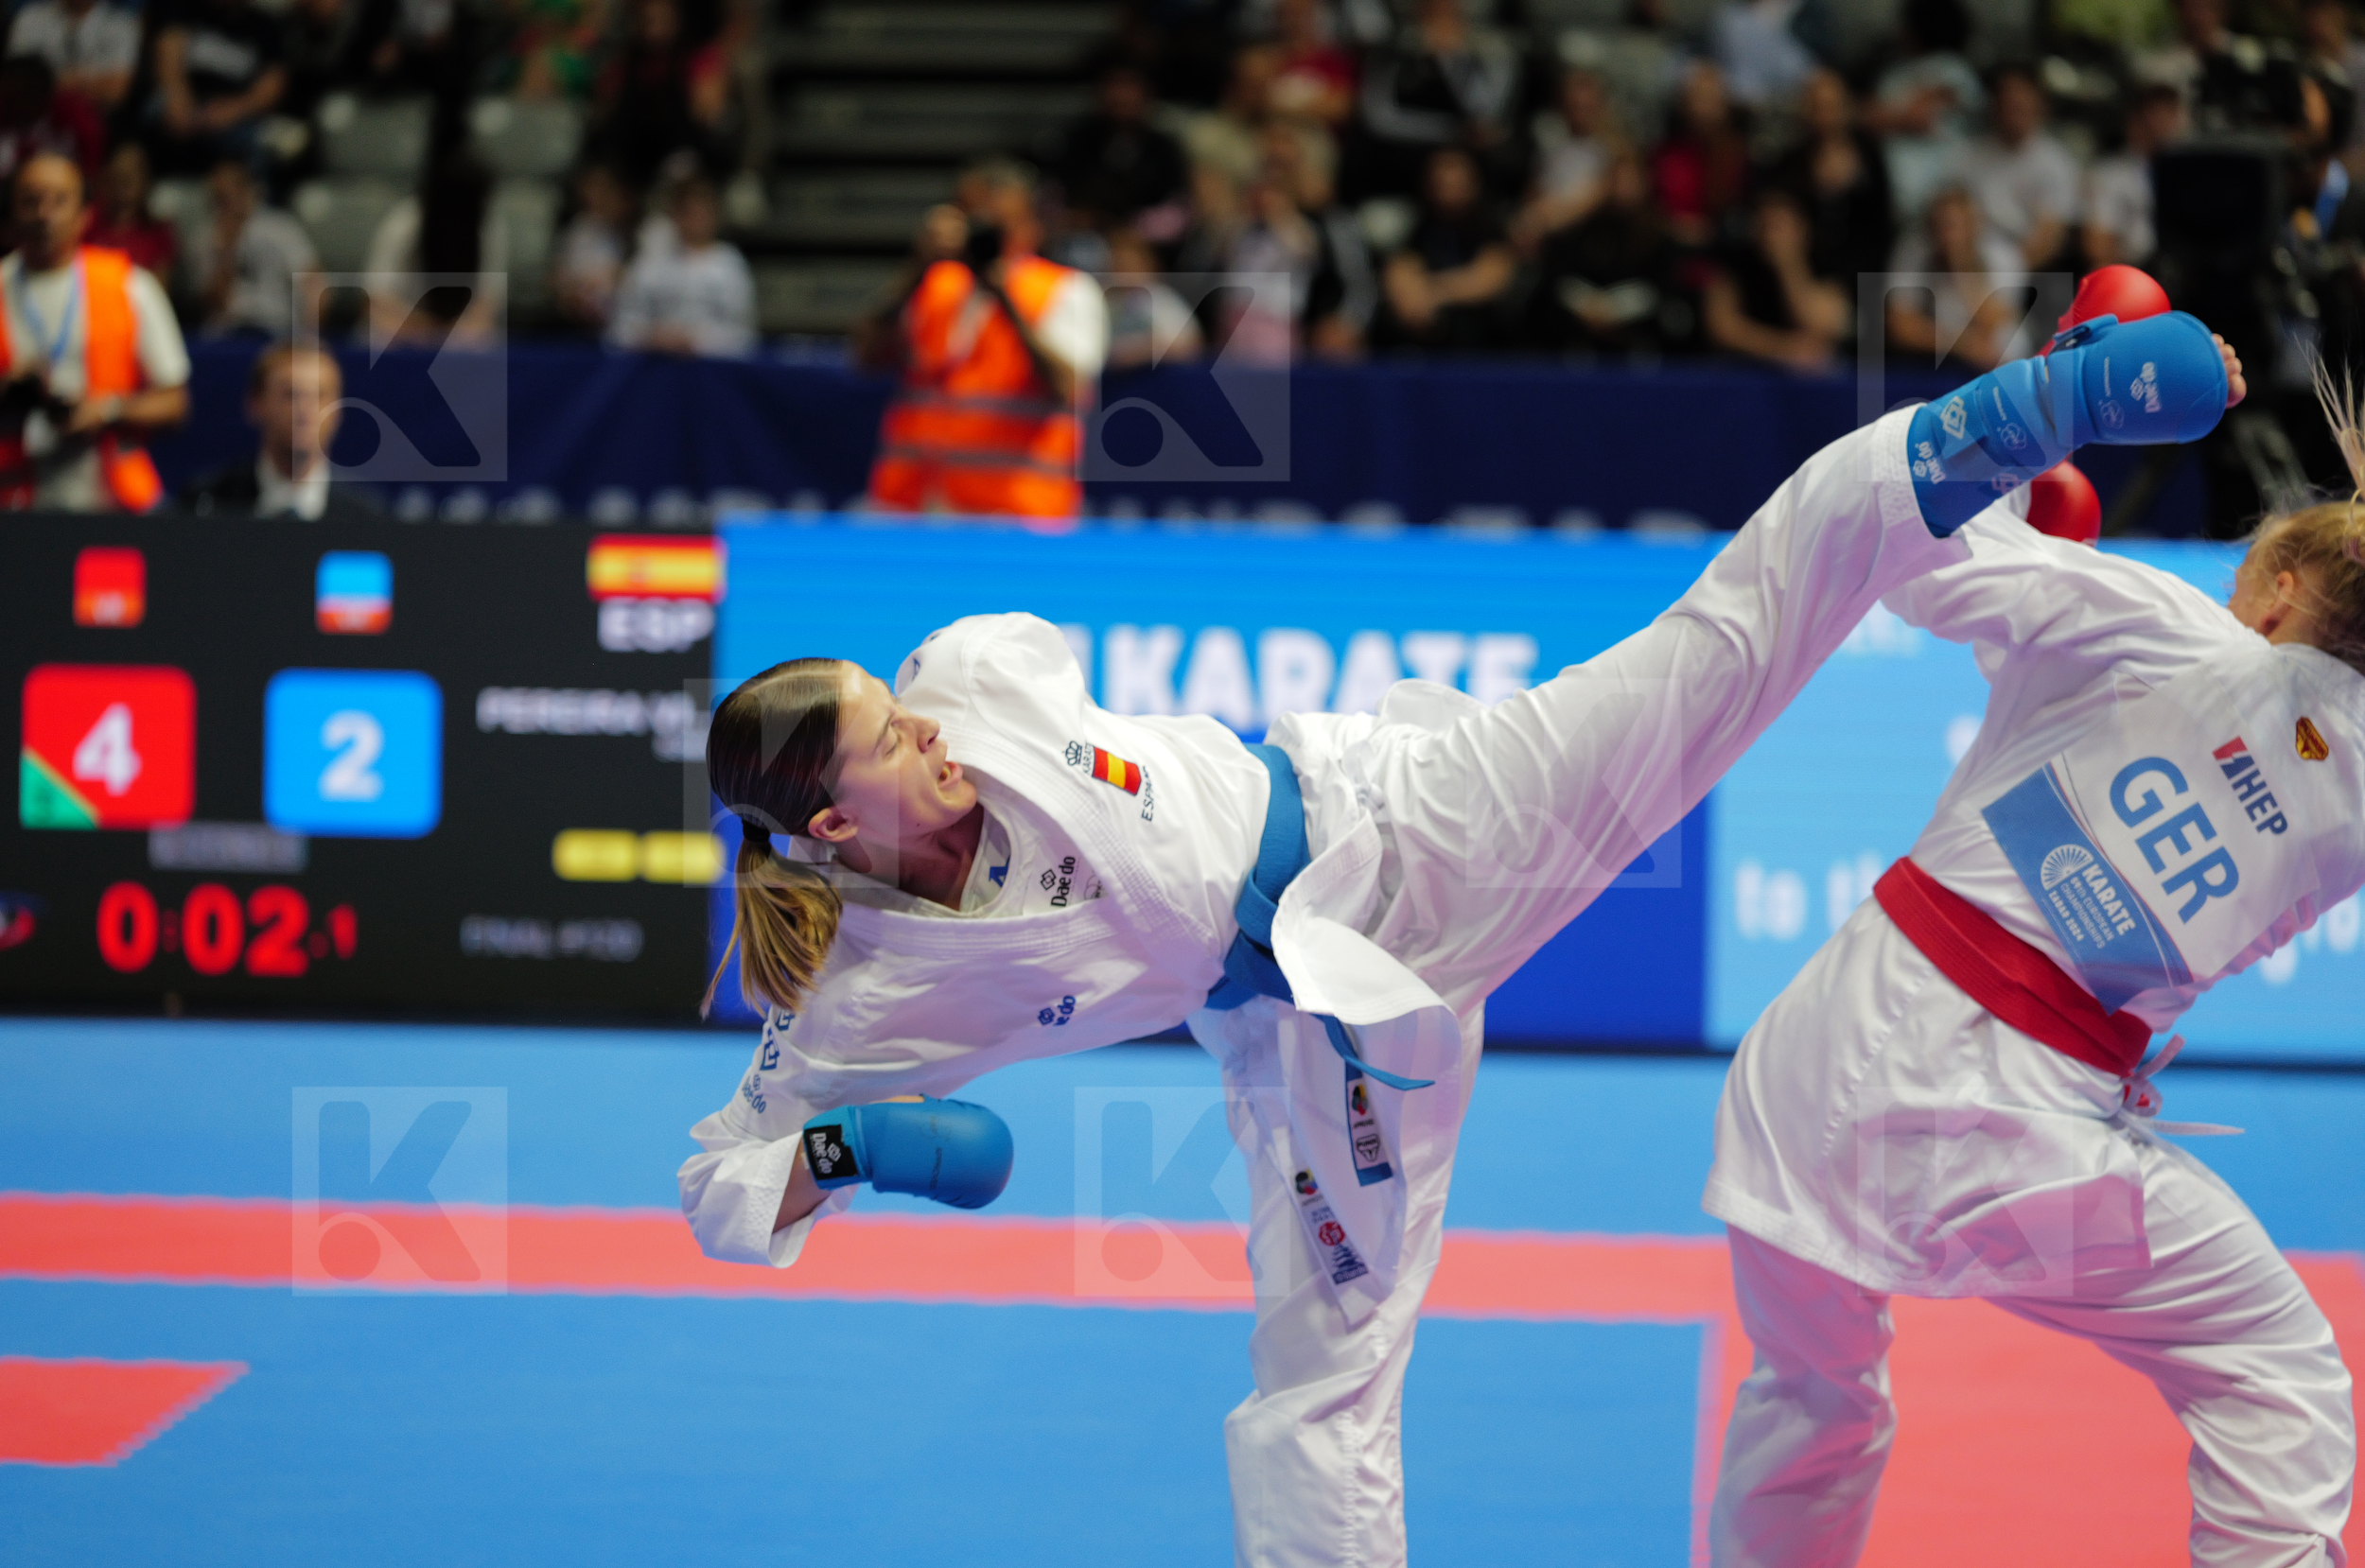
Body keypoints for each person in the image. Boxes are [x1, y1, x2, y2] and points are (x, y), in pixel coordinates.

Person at [680, 306, 2243, 1568]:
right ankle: (2026, 536)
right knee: (1324, 1368)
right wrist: (849, 1152)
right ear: (827, 828)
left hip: (1408, 818)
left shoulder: (972, 672)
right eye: (890, 740)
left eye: (903, 705)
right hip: (1309, 1033)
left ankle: (2039, 403)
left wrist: (949, 721)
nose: (928, 732)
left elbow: (1001, 663)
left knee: (1731, 639)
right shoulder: (873, 995)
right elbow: (720, 1176)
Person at [1698, 314, 2365, 1568]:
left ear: (2278, 588)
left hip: (1810, 1079)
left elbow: (1905, 541)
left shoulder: (2162, 625)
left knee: (1816, 1396)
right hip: (2018, 1162)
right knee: (2270, 1367)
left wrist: (2056, 399)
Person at [865, 160, 1106, 523]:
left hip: (1016, 516)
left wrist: (1006, 299)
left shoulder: (1064, 290)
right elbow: (866, 359)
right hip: (913, 510)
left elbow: (1069, 385)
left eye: (998, 225)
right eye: (973, 220)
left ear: (1030, 226)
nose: (983, 236)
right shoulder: (935, 283)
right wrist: (917, 267)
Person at [0, 153, 188, 513]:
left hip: (108, 503)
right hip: (12, 512)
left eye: (59, 201)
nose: (44, 214)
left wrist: (107, 411)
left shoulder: (130, 286)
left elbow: (175, 403)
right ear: (9, 217)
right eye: (30, 201)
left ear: (85, 214)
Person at [181, 342, 381, 519]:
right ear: (255, 404)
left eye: (319, 396)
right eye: (290, 395)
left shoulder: (367, 518)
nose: (305, 410)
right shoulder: (207, 505)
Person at [1765, 67, 1895, 291]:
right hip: (1812, 279)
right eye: (1817, 107)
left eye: (1832, 107)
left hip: (1867, 278)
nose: (1825, 116)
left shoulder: (1870, 157)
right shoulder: (1792, 162)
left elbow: (1881, 227)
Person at [1376, 144, 1514, 352]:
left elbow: (1489, 279)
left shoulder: (1491, 226)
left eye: (1455, 182)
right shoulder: (1419, 226)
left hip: (1483, 346)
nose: (1446, 189)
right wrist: (1413, 297)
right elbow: (1400, 270)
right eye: (1439, 182)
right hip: (1426, 334)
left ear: (1473, 183)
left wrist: (1433, 293)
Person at [364, 148, 505, 345]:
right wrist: (426, 331)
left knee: (486, 340)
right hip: (402, 336)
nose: (458, 218)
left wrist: (451, 335)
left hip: (457, 341)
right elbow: (376, 303)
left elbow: (485, 308)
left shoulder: (487, 230)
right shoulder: (402, 225)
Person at [607, 173, 754, 357]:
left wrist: (695, 340)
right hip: (653, 367)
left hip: (710, 372)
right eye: (688, 212)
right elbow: (620, 327)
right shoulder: (650, 263)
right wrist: (651, 336)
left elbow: (743, 335)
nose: (695, 220)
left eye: (703, 212)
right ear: (674, 214)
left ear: (715, 215)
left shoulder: (729, 265)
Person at [1883, 184, 2029, 370]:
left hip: (1989, 350)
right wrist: (1959, 344)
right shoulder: (1914, 252)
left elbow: (1994, 321)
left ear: (1975, 224)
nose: (1948, 235)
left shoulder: (2003, 255)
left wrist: (1961, 264)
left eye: (1956, 226)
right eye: (1941, 225)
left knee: (2004, 341)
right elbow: (1900, 326)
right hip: (1939, 347)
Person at [1703, 187, 1848, 372]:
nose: (1770, 235)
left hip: (1812, 386)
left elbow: (1821, 324)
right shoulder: (1734, 265)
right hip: (1746, 378)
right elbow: (1722, 328)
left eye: (1779, 225)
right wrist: (1783, 349)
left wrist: (1788, 265)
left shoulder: (1826, 264)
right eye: (1764, 224)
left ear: (1803, 229)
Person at [182, 157, 319, 338]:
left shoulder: (282, 228)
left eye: (234, 189)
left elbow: (315, 287)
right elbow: (211, 305)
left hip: (278, 330)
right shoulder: (204, 239)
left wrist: (307, 340)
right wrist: (227, 249)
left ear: (249, 189)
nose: (229, 201)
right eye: (220, 196)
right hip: (226, 335)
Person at [1961, 62, 2080, 270]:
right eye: (2008, 104)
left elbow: (2047, 240)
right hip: (1967, 259)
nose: (2014, 114)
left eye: (2021, 106)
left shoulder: (2057, 164)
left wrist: (2004, 274)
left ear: (2039, 106)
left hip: (2022, 268)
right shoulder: (1968, 155)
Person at [149, 0, 289, 177]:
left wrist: (233, 110)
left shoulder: (264, 26)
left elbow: (273, 83)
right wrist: (178, 99)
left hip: (234, 116)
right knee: (155, 109)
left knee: (262, 139)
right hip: (187, 103)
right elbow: (168, 52)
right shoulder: (187, 10)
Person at [2084, 83, 2186, 270]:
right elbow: (2098, 249)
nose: (2167, 126)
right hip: (2136, 271)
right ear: (2136, 120)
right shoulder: (2109, 174)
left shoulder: (2190, 173)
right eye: (2158, 116)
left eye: (2173, 116)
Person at [552, 161, 638, 334]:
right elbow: (557, 277)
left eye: (605, 189)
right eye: (591, 188)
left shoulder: (638, 232)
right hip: (578, 322)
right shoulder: (578, 230)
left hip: (627, 322)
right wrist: (570, 292)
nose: (596, 196)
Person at [6, 0, 138, 113]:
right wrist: (92, 82)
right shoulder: (29, 18)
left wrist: (52, 82)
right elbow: (18, 84)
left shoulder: (121, 25)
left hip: (97, 119)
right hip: (33, 116)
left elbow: (115, 92)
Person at [83, 143, 177, 282]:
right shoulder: (87, 221)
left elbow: (158, 290)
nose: (125, 179)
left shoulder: (158, 235)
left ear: (146, 180)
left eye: (133, 172)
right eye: (119, 173)